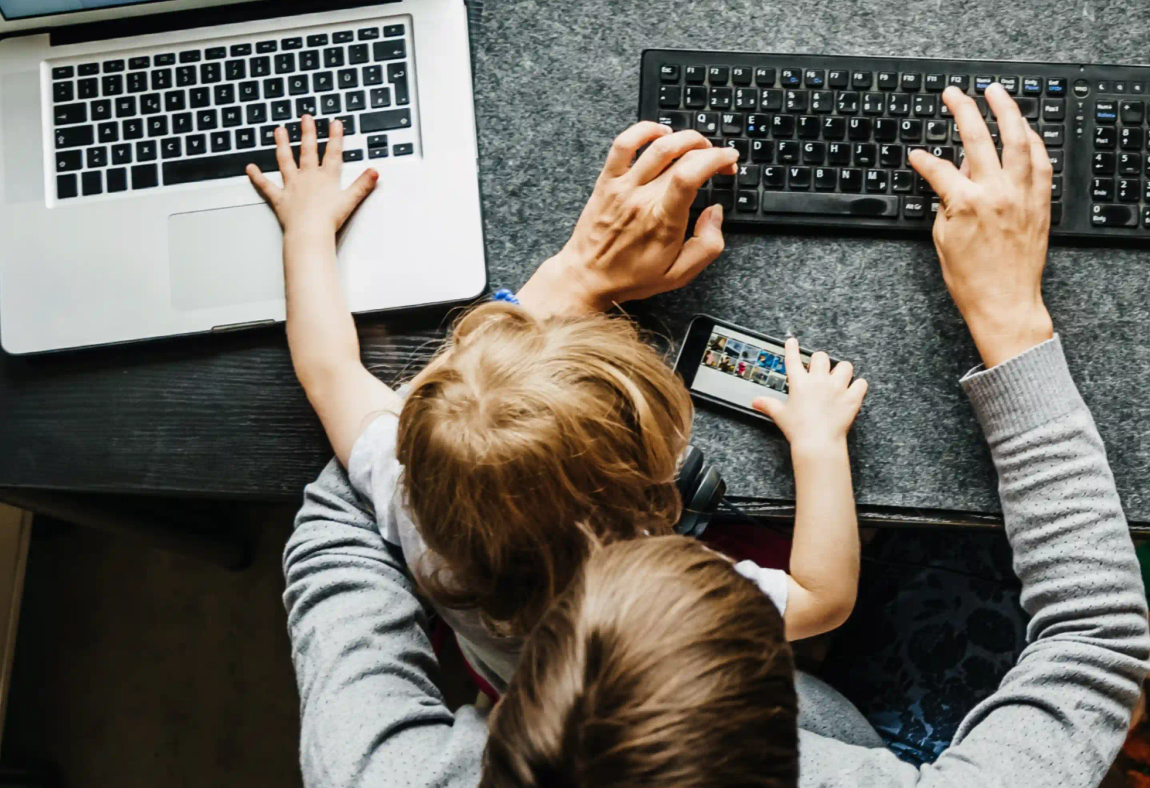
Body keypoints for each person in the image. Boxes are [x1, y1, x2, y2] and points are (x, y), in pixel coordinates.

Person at [281, 86, 1150, 788]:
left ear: (489, 757)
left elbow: (340, 520)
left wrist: (554, 302)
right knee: (963, 562)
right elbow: (1098, 646)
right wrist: (1010, 320)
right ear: (800, 775)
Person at [247, 114, 868, 690]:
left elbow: (327, 368)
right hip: (645, 679)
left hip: (513, 679)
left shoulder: (404, 480)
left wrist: (305, 229)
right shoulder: (666, 596)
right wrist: (819, 445)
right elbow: (823, 599)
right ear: (655, 494)